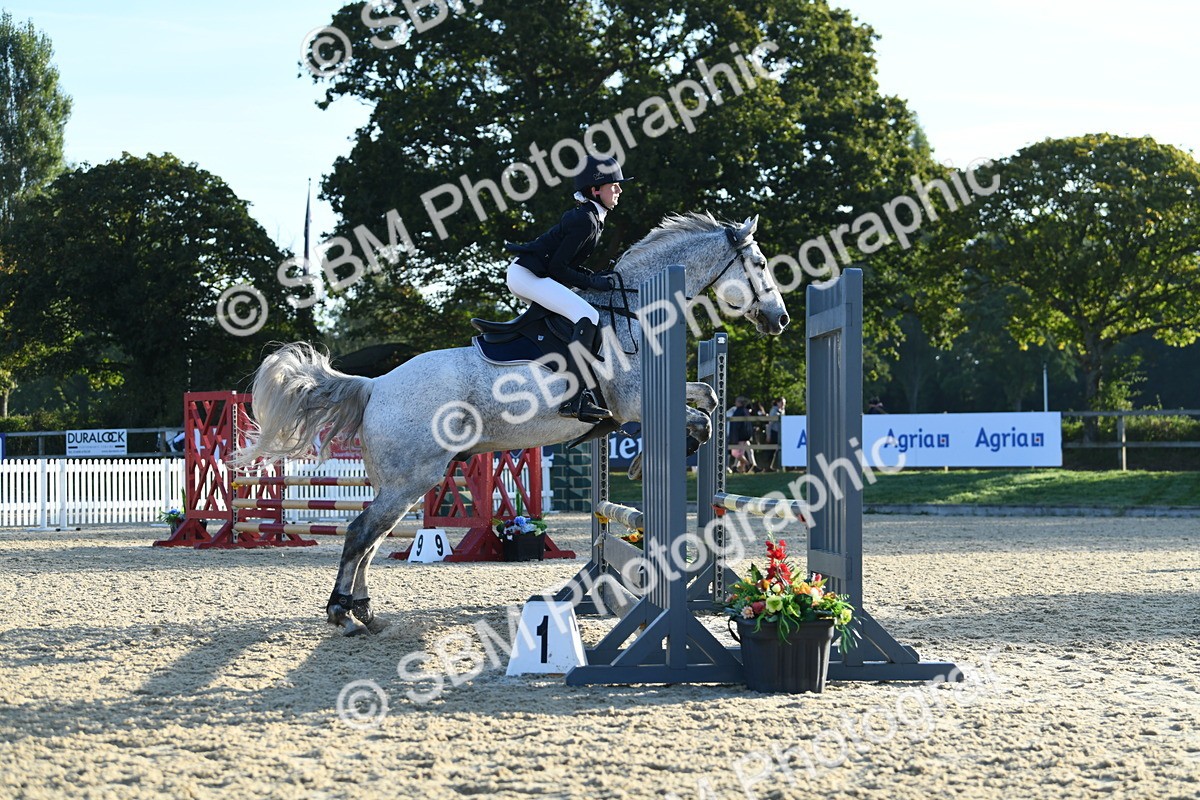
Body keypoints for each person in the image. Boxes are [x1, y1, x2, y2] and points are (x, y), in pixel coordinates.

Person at [504, 155, 633, 423]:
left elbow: (564, 265)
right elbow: (558, 269)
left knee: (582, 313)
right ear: (595, 189)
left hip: (534, 273)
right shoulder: (585, 219)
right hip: (527, 275)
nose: (619, 190)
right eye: (614, 185)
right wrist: (592, 282)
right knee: (588, 317)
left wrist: (590, 277)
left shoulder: (592, 217)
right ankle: (573, 399)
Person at [728, 396, 755, 474]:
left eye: (736, 401)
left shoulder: (738, 412)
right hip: (745, 436)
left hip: (740, 436)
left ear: (739, 403)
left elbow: (736, 426)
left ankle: (748, 464)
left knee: (735, 453)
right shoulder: (745, 411)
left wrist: (734, 437)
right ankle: (740, 470)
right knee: (741, 453)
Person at [765, 397, 785, 471]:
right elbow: (770, 424)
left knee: (778, 449)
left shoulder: (782, 411)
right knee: (771, 450)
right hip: (774, 432)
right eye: (782, 403)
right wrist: (768, 435)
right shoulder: (774, 411)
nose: (783, 405)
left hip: (779, 432)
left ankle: (774, 466)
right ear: (778, 403)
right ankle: (767, 466)